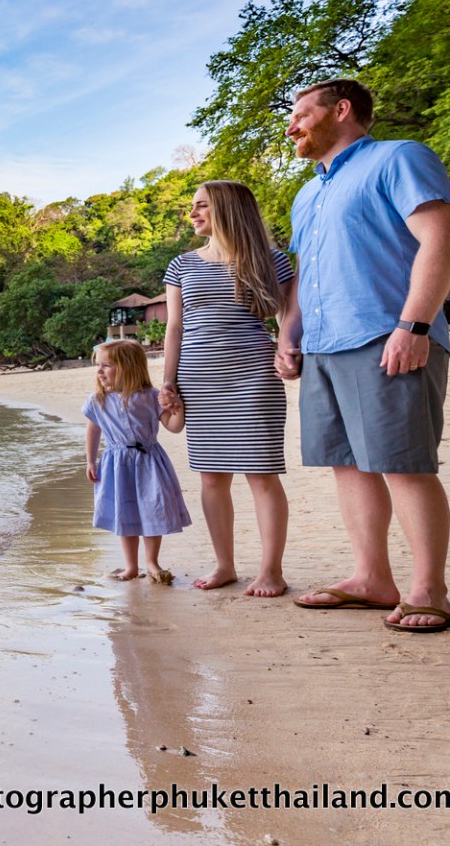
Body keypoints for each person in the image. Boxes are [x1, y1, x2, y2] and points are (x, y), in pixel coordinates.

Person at [277, 78, 450, 633]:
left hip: (388, 337)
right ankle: (372, 579)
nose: (291, 126)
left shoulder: (398, 158)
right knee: (348, 463)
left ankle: (430, 591)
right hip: (324, 347)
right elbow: (305, 272)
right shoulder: (307, 192)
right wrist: (289, 334)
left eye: (300, 113)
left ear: (341, 110)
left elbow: (443, 238)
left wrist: (414, 325)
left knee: (403, 462)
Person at [160, 180, 296, 597]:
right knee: (211, 477)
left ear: (227, 209)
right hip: (198, 380)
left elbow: (289, 315)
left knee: (262, 474)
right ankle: (225, 566)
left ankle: (271, 571)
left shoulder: (272, 260)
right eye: (192, 206)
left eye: (201, 206)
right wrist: (167, 382)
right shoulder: (182, 265)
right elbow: (174, 328)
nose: (193, 213)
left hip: (255, 374)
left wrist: (288, 350)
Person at [84, 340, 191, 584]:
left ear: (128, 368)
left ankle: (152, 562)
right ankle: (131, 566)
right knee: (126, 513)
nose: (99, 371)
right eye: (98, 365)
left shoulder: (151, 397)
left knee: (152, 510)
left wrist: (178, 409)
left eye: (106, 366)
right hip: (116, 465)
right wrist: (90, 461)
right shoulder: (97, 400)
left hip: (149, 462)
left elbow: (174, 427)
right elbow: (93, 431)